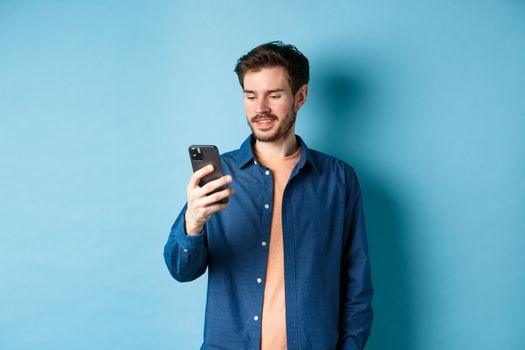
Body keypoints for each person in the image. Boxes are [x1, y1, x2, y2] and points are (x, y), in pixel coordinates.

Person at [164, 41, 373, 350]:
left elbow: (357, 283)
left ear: (300, 96)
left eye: (274, 95)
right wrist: (192, 224)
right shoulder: (217, 175)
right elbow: (181, 271)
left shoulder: (338, 179)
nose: (260, 108)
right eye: (250, 96)